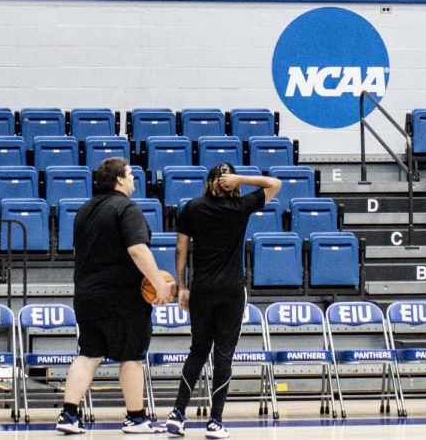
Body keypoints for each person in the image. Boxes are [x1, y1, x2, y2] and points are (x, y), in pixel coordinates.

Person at [56, 158, 173, 435]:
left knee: (88, 355)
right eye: (131, 175)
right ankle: (135, 418)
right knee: (131, 356)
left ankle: (68, 415)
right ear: (119, 180)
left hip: (86, 295)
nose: (134, 179)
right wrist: (159, 284)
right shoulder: (127, 208)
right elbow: (137, 250)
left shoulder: (84, 210)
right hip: (122, 297)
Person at [164, 165, 282, 440]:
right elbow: (274, 183)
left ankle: (177, 414)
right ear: (231, 183)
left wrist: (182, 287)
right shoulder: (240, 206)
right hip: (231, 290)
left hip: (202, 289)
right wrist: (241, 179)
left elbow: (181, 248)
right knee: (223, 355)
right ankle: (215, 421)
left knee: (198, 351)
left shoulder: (192, 207)